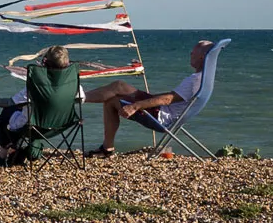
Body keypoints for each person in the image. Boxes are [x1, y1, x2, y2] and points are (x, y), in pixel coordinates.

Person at [82, 40, 214, 157]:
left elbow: (168, 99)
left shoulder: (195, 80)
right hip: (164, 111)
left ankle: (106, 148)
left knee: (111, 101)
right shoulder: (204, 78)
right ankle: (82, 96)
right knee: (119, 86)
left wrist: (134, 106)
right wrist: (151, 97)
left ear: (202, 57)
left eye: (193, 53)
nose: (190, 54)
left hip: (160, 117)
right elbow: (173, 97)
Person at [0, 46, 84, 164]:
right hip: (64, 124)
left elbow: (10, 102)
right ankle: (24, 150)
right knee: (22, 112)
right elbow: (81, 99)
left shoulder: (37, 83)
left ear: (45, 62)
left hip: (34, 126)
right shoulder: (73, 82)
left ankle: (3, 157)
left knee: (7, 112)